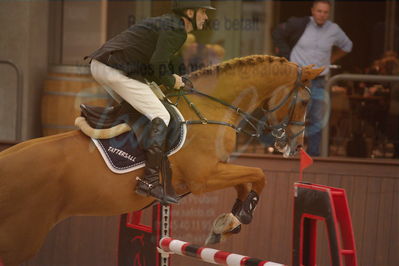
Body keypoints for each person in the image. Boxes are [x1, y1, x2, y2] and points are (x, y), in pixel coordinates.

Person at [85, 0, 215, 203]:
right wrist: (172, 80)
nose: (206, 17)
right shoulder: (176, 29)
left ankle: (126, 155)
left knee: (144, 107)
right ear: (190, 12)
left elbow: (155, 63)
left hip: (105, 65)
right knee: (161, 114)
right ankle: (150, 180)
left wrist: (170, 79)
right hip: (114, 69)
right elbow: (157, 64)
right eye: (203, 12)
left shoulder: (170, 24)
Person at [272, 0, 353, 156]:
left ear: (328, 14)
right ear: (312, 11)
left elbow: (347, 46)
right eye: (319, 11)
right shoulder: (300, 24)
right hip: (298, 78)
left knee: (317, 118)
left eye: (325, 12)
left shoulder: (333, 29)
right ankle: (287, 151)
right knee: (293, 115)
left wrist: (331, 60)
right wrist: (286, 55)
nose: (322, 15)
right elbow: (277, 33)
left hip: (319, 80)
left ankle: (314, 154)